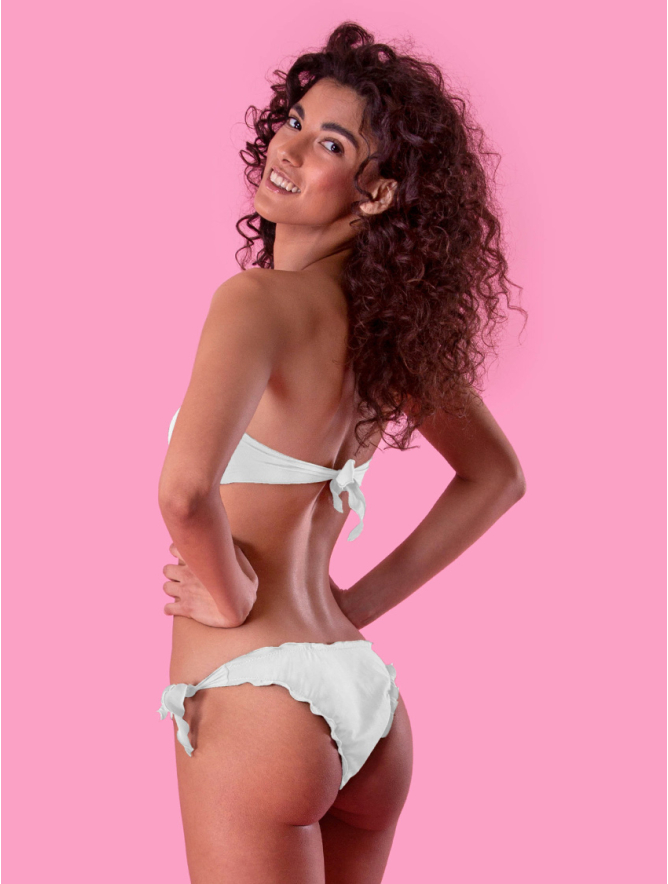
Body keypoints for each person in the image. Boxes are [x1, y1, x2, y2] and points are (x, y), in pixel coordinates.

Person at [157, 21, 527, 884]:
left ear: (376, 194)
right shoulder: (389, 335)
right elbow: (496, 476)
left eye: (329, 144)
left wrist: (232, 592)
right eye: (294, 121)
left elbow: (184, 492)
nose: (288, 148)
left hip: (257, 700)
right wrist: (352, 606)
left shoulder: (256, 302)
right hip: (364, 700)